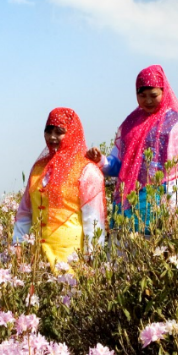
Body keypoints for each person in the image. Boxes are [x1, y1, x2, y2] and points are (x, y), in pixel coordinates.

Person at [87, 65, 178, 233]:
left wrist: (175, 211)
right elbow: (119, 165)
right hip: (126, 206)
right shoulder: (131, 123)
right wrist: (101, 160)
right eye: (142, 95)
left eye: (154, 95)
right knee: (122, 253)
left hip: (157, 207)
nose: (148, 101)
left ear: (164, 92)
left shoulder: (176, 125)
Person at [12, 107, 106, 268]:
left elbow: (94, 219)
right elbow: (25, 212)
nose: (52, 137)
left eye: (59, 132)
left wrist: (92, 258)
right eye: (48, 131)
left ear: (72, 132)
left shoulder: (87, 170)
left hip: (71, 258)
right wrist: (17, 244)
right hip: (38, 260)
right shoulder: (38, 169)